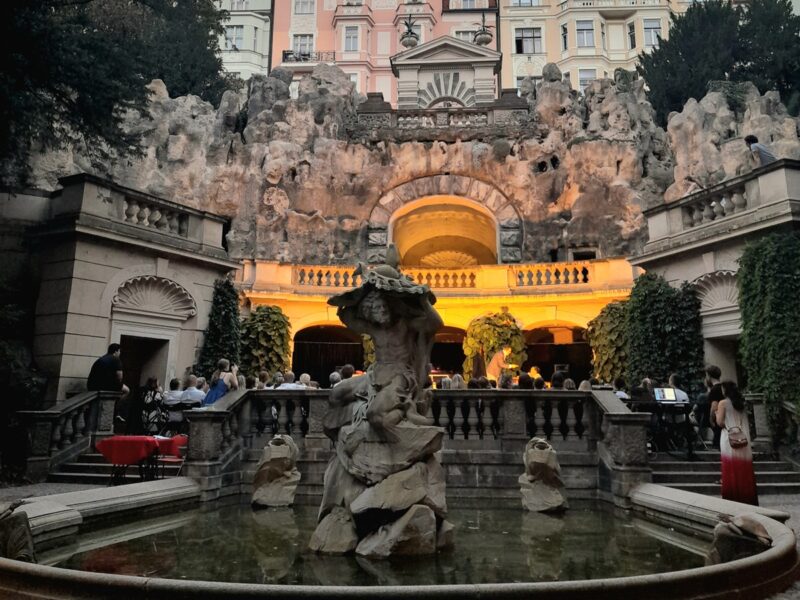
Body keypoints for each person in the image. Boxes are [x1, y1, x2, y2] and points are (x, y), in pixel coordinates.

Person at [716, 381, 758, 506]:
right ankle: (747, 498)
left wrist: (717, 414)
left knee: (730, 467)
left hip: (728, 439)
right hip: (743, 438)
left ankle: (733, 498)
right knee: (744, 469)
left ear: (726, 390)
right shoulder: (741, 403)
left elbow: (720, 422)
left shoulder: (723, 403)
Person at [87, 343, 130, 430]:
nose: (120, 353)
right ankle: (116, 409)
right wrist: (118, 385)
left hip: (93, 385)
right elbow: (119, 376)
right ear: (116, 351)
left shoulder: (101, 359)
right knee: (127, 390)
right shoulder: (116, 359)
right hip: (107, 385)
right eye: (119, 351)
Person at [706, 365, 724, 449]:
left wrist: (711, 418)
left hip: (718, 417)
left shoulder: (714, 390)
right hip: (725, 417)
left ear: (709, 376)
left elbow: (714, 406)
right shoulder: (723, 387)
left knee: (718, 441)